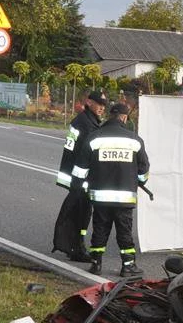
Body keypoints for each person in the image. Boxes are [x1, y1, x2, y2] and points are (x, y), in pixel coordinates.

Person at [72, 102, 149, 276]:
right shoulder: (135, 140)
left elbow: (80, 170)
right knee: (124, 232)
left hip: (100, 197)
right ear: (123, 117)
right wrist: (138, 180)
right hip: (125, 198)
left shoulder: (94, 138)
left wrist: (78, 187)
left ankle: (96, 264)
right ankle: (128, 266)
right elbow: (143, 171)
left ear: (109, 115)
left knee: (100, 229)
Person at [51, 90, 107, 261]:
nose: (102, 108)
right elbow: (85, 153)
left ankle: (75, 245)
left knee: (81, 211)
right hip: (80, 176)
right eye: (99, 104)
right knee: (80, 213)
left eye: (104, 105)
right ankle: (76, 248)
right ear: (89, 102)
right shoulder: (85, 123)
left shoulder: (86, 120)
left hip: (76, 174)